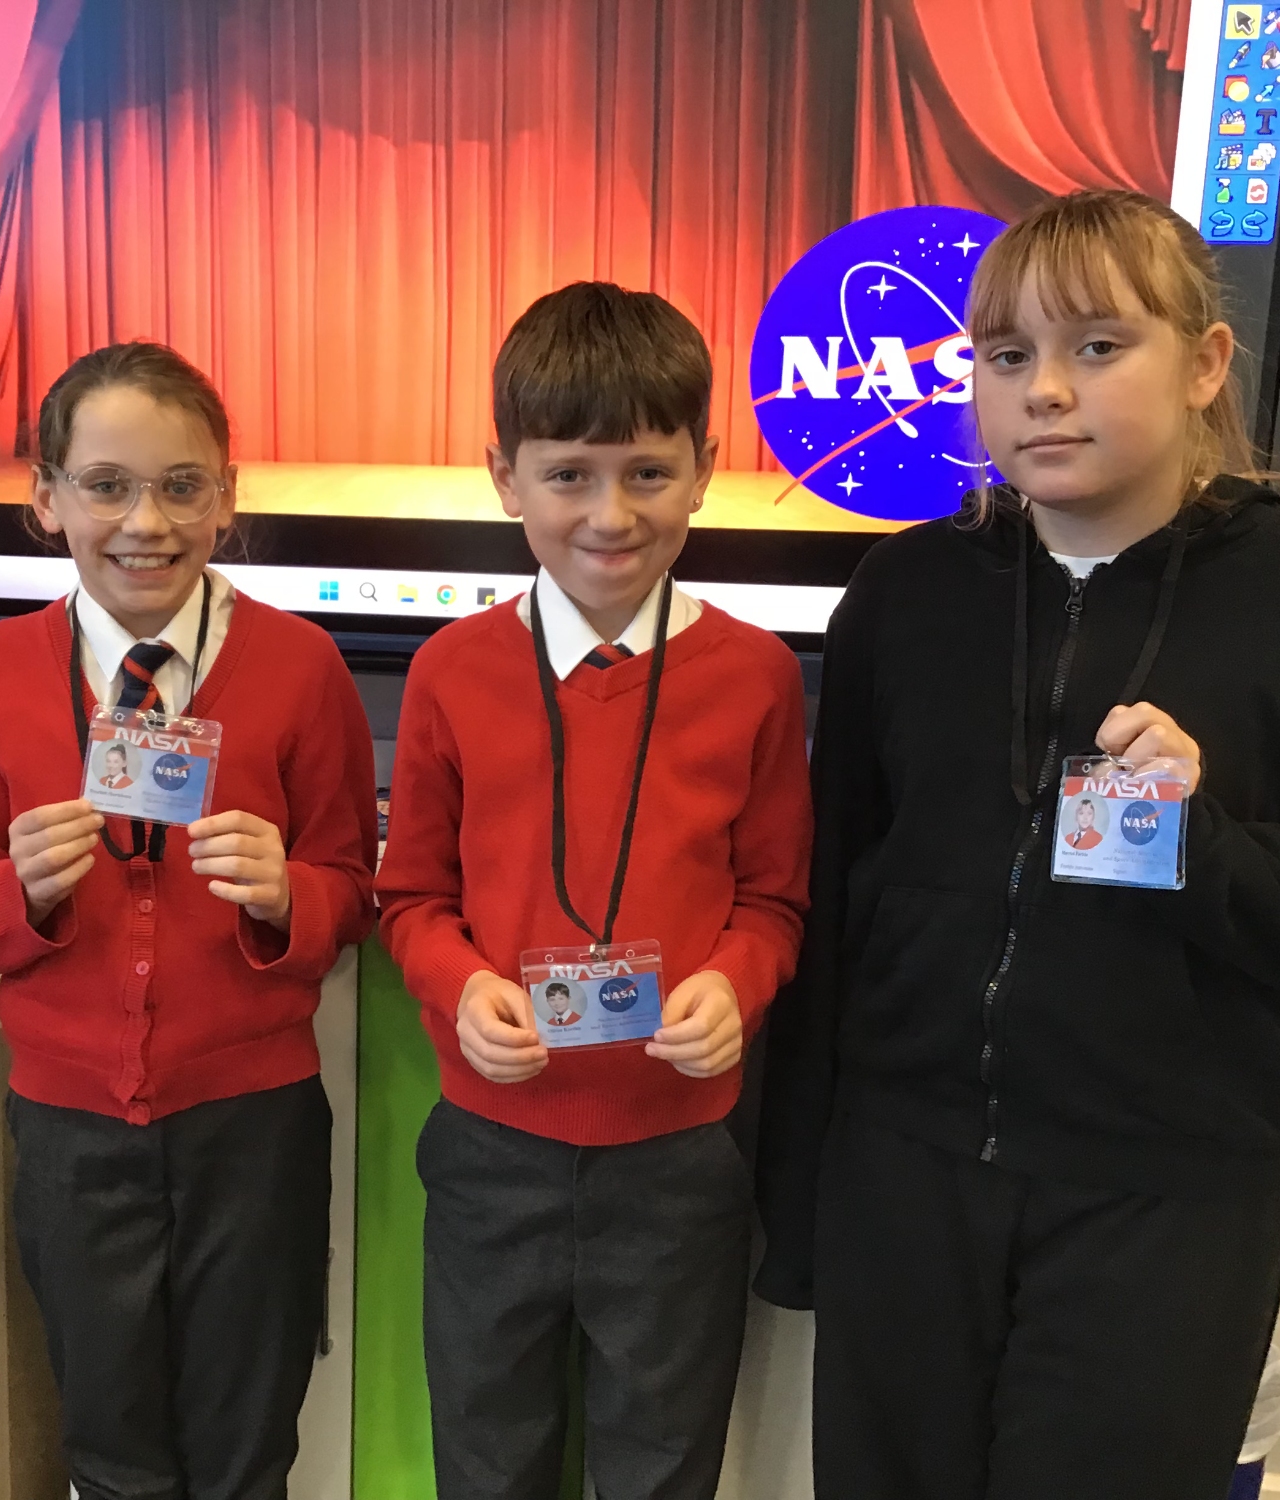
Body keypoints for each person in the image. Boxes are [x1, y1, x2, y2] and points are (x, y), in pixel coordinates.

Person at [755, 190, 1280, 1500]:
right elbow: (835, 898)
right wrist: (803, 1196)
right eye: (1006, 355)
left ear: (1204, 364)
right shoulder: (905, 593)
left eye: (1097, 346)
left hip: (1166, 1202)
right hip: (904, 1177)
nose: (1044, 390)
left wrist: (1196, 844)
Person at [0, 341, 378, 1500]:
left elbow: (351, 890)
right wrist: (18, 891)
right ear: (46, 497)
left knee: (245, 1444)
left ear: (226, 497)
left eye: (180, 486)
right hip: (70, 1132)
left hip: (252, 1130)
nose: (145, 522)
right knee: (111, 1445)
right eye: (106, 486)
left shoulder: (302, 667)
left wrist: (290, 895)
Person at [377, 282, 813, 1500]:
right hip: (491, 1149)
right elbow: (409, 897)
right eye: (568, 474)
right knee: (485, 1453)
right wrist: (458, 986)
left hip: (677, 1159)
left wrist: (734, 984)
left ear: (703, 471)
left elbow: (774, 902)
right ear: (504, 479)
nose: (609, 515)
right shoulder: (450, 671)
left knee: (661, 1462)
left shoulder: (756, 677)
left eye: (646, 473)